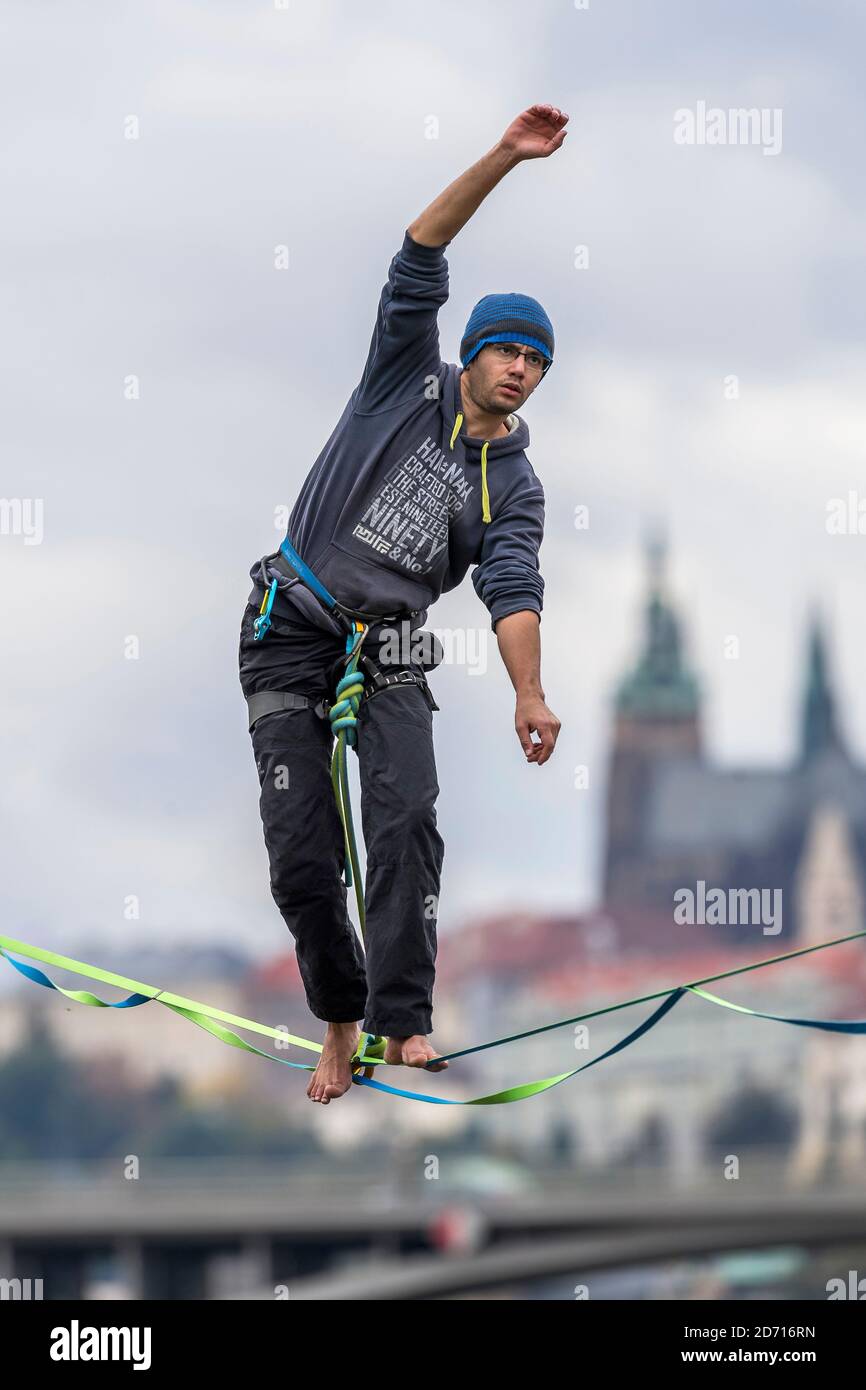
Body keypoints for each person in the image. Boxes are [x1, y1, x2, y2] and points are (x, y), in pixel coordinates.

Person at [239, 103, 566, 1103]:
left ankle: (401, 1018)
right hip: (288, 631)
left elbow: (510, 590)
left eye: (535, 363)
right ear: (471, 352)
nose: (518, 370)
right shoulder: (398, 384)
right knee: (303, 863)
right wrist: (504, 159)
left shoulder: (512, 482)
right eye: (506, 351)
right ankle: (339, 1020)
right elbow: (418, 249)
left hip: (386, 654)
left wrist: (528, 692)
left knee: (407, 820)